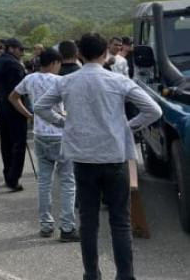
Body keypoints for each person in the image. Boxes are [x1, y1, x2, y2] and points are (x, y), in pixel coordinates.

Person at [34, 33, 162, 280]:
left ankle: (92, 274)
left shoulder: (66, 82)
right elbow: (153, 110)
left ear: (80, 54)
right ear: (106, 53)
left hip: (83, 159)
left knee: (89, 222)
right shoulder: (118, 80)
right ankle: (125, 275)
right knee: (120, 222)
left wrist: (63, 123)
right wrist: (127, 127)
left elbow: (40, 107)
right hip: (114, 157)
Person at [9, 48, 79, 241]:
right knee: (67, 182)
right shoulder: (61, 81)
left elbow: (13, 97)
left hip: (40, 134)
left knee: (44, 182)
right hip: (61, 134)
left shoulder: (29, 79)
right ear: (55, 63)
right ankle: (67, 227)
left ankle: (46, 225)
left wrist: (29, 115)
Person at [0, 38, 28, 191]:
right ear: (12, 48)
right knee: (18, 143)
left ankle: (8, 174)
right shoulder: (14, 65)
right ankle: (14, 178)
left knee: (6, 142)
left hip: (1, 104)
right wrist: (26, 112)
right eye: (20, 49)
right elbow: (21, 90)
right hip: (15, 106)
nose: (22, 53)